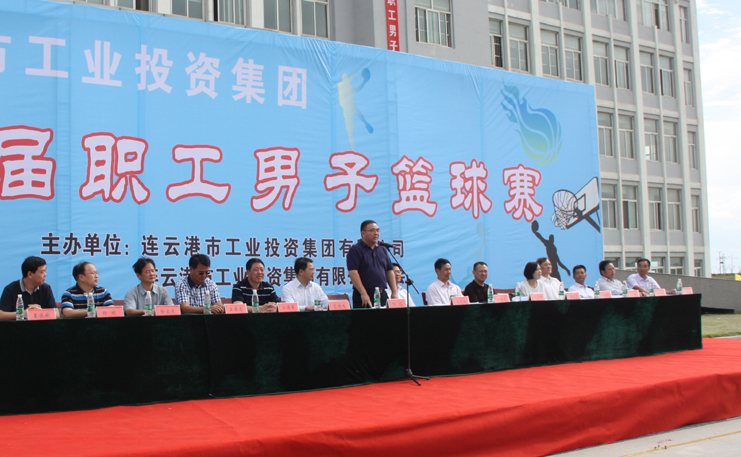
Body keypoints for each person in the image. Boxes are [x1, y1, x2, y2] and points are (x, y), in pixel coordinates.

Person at [346, 220, 397, 308]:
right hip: (364, 294)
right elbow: (353, 273)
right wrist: (363, 294)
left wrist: (394, 292)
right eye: (372, 230)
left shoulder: (382, 250)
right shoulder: (355, 250)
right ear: (363, 233)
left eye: (378, 230)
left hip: (381, 293)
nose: (376, 233)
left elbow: (389, 271)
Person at [0, 256, 58, 320]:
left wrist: (39, 312)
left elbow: (57, 314)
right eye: (42, 272)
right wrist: (23, 313)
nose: (45, 275)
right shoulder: (10, 289)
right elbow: (1, 315)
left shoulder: (46, 288)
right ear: (30, 274)